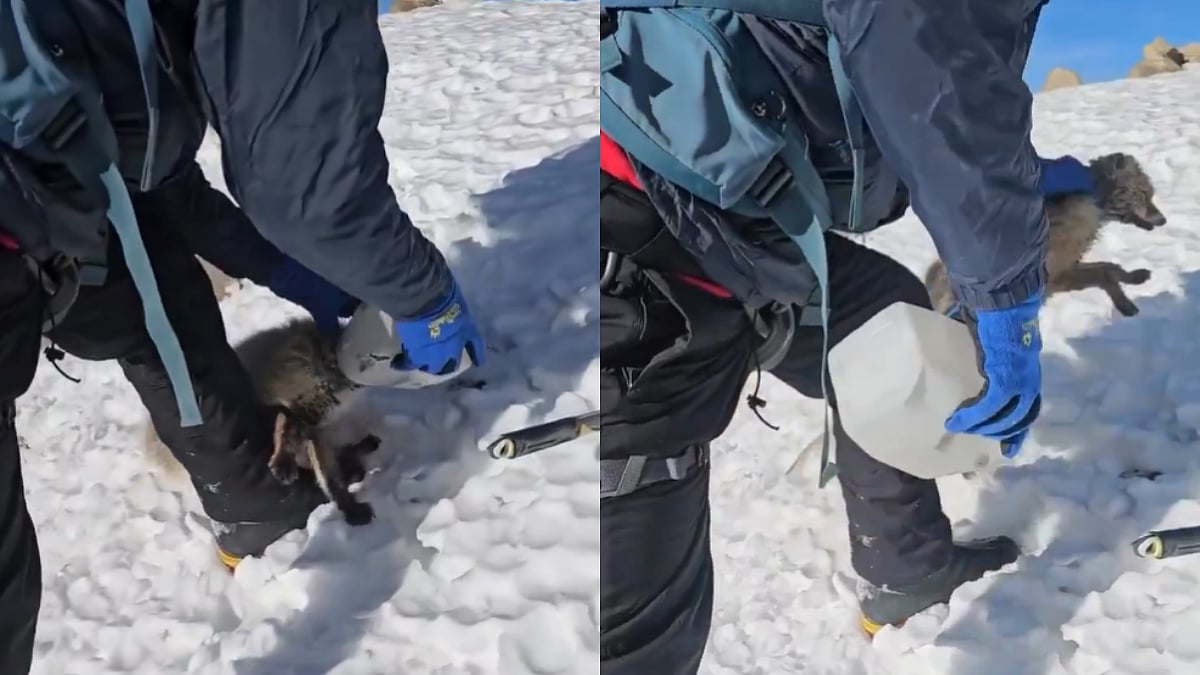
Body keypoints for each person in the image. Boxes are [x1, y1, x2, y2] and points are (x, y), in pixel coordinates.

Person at [599, 0, 1098, 672]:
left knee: (877, 311)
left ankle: (907, 568)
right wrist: (1004, 289)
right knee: (639, 611)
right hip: (637, 225)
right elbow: (927, 67)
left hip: (730, 210)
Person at [0, 0, 484, 671]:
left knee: (152, 291)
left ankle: (247, 488)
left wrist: (283, 267)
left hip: (72, 186)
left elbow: (165, 181)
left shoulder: (108, 63)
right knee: (157, 316)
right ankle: (252, 502)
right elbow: (292, 181)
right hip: (49, 209)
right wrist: (416, 295)